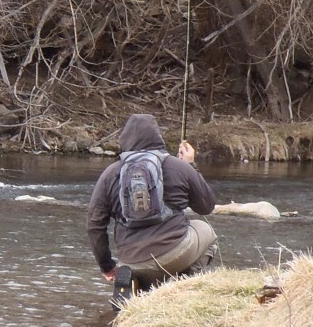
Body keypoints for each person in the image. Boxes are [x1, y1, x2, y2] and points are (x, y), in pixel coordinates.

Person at [87, 113, 218, 309]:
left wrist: (107, 267)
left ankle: (133, 283)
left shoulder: (110, 174)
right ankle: (182, 285)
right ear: (157, 138)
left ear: (125, 139)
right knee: (207, 233)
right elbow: (206, 207)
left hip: (131, 261)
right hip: (175, 255)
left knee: (135, 269)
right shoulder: (179, 167)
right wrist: (190, 165)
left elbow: (94, 225)